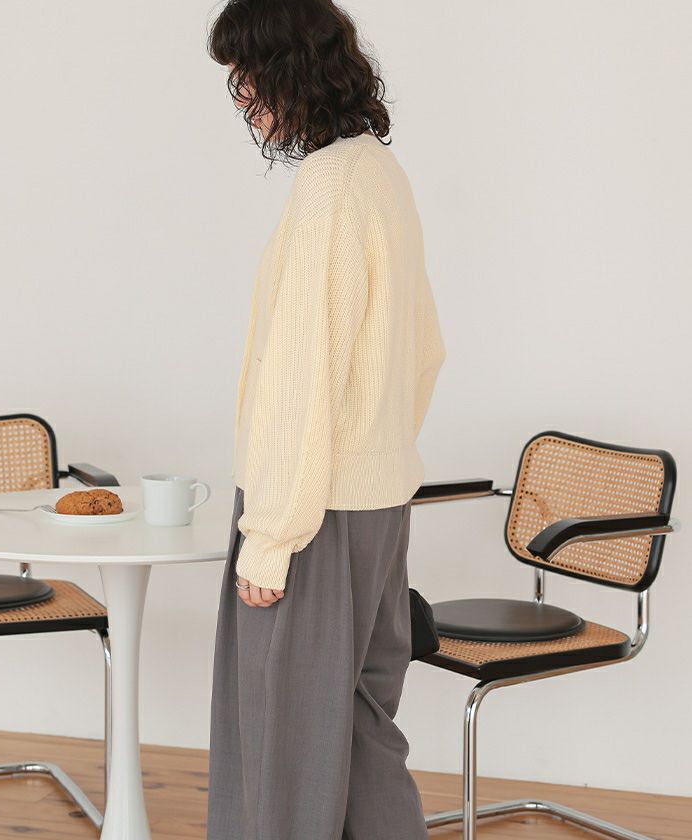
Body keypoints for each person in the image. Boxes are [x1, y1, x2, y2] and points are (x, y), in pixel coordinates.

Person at [206, 1, 446, 838]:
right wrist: (380, 451)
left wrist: (272, 536)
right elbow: (425, 348)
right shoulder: (377, 172)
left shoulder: (329, 189)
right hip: (374, 504)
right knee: (359, 731)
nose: (242, 96)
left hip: (311, 514)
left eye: (249, 74)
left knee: (284, 749)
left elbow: (300, 378)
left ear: (292, 70)